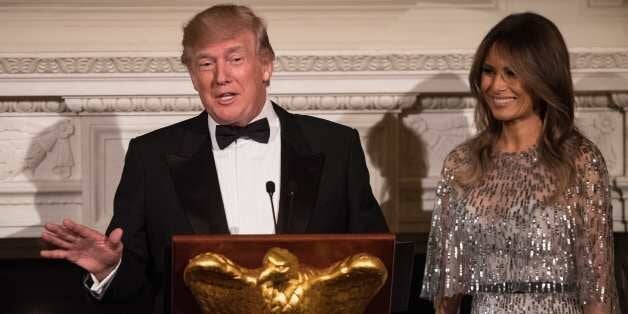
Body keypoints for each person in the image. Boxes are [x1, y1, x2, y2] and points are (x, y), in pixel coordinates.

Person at [40, 4, 388, 313]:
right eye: (206, 63)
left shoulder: (336, 146)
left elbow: (375, 263)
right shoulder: (151, 157)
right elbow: (138, 286)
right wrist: (109, 269)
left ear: (266, 66)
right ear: (193, 76)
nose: (221, 77)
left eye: (235, 59)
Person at [420, 12, 619, 314]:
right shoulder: (462, 164)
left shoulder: (580, 161)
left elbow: (598, 289)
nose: (496, 85)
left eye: (512, 73)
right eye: (489, 71)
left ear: (544, 77)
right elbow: (447, 292)